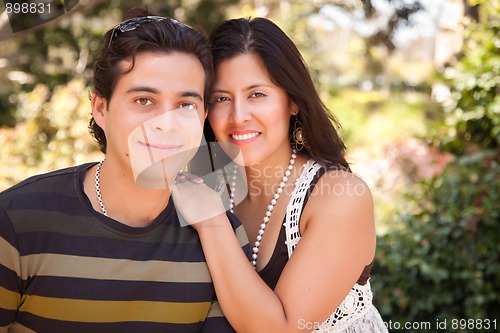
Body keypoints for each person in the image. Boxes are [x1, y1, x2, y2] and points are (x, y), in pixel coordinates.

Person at [0, 8, 249, 333]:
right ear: (100, 108)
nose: (166, 125)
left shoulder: (220, 236)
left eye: (185, 105)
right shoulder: (17, 223)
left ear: (202, 116)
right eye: (144, 100)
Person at [174, 17, 388, 332]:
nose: (239, 116)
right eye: (222, 98)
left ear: (293, 102)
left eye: (257, 94)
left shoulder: (340, 198)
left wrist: (211, 221)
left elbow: (282, 328)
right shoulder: (211, 180)